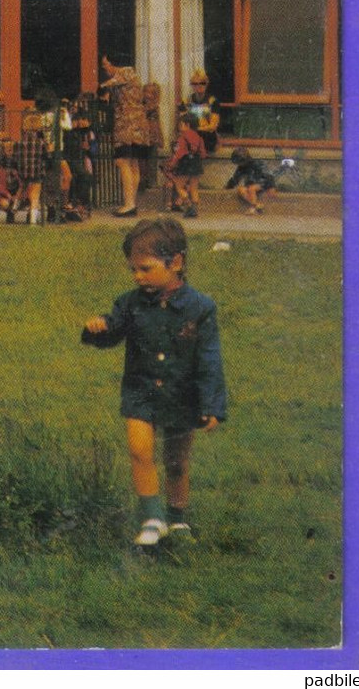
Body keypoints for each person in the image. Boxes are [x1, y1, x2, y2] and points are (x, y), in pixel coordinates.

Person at [82, 217, 227, 548]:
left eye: (146, 268)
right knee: (139, 450)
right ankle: (152, 518)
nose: (137, 276)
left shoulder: (201, 308)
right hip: (141, 391)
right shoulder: (129, 304)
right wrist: (99, 328)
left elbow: (209, 359)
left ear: (175, 263)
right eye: (133, 269)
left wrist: (212, 404)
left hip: (182, 393)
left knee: (176, 461)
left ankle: (178, 518)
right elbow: (114, 331)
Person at [100, 57, 153, 218]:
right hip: (135, 125)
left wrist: (102, 87)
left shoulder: (125, 71)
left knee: (122, 161)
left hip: (128, 125)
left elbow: (107, 85)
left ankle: (129, 204)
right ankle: (131, 203)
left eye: (105, 66)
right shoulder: (127, 76)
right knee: (133, 163)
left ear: (111, 62)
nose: (105, 70)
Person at [164, 112, 206, 219]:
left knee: (178, 186)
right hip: (197, 165)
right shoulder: (199, 137)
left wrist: (171, 165)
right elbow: (203, 154)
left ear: (187, 125)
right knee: (194, 188)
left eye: (181, 124)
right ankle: (195, 209)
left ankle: (188, 205)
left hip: (185, 165)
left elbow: (178, 154)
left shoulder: (182, 138)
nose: (179, 126)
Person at [14, 112, 51, 226]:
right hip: (36, 171)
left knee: (23, 188)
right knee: (34, 196)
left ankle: (15, 205)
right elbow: (47, 156)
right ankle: (33, 222)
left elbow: (16, 157)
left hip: (23, 171)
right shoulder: (41, 142)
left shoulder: (19, 142)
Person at [225, 147, 277, 215]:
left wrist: (271, 187)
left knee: (251, 188)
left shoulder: (258, 163)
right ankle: (257, 205)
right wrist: (227, 187)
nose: (238, 164)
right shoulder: (241, 168)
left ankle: (252, 209)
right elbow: (235, 179)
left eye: (239, 162)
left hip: (264, 183)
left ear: (245, 160)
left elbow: (269, 176)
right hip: (252, 186)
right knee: (241, 189)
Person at [183, 70, 222, 155]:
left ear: (207, 84)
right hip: (192, 136)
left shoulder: (212, 101)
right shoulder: (187, 100)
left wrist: (196, 129)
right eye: (195, 84)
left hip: (207, 137)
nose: (199, 86)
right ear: (192, 85)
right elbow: (183, 123)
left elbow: (212, 126)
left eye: (202, 83)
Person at [0, 142, 22, 223]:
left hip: (19, 192)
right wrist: (7, 194)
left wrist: (17, 195)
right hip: (5, 193)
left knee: (28, 199)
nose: (9, 149)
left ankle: (30, 216)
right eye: (7, 147)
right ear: (3, 150)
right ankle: (10, 213)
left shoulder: (20, 164)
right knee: (4, 203)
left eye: (11, 147)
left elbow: (23, 182)